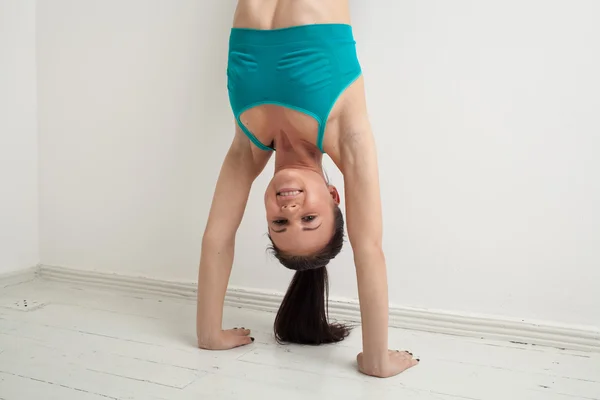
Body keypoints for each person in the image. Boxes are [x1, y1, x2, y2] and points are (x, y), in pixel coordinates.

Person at [196, 0, 419, 378]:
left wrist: (209, 334)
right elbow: (369, 248)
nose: (291, 210)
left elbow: (217, 238)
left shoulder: (247, 146)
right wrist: (376, 358)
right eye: (310, 219)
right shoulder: (346, 136)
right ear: (335, 197)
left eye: (279, 224)